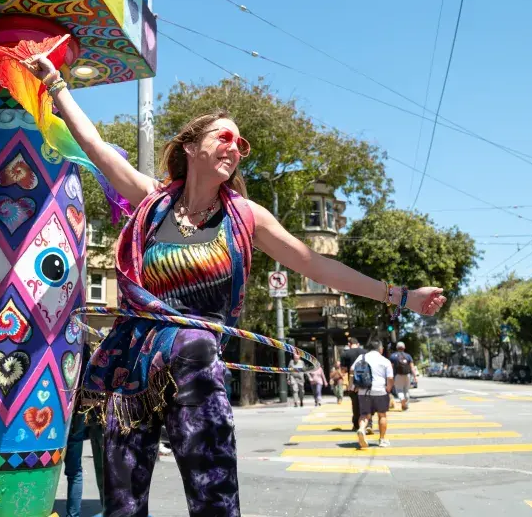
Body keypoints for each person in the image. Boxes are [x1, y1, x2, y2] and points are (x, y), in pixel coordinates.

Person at [23, 54, 446, 517]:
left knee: (213, 489)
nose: (236, 148)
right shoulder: (153, 202)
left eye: (240, 143)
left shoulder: (246, 217)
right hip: (134, 371)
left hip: (194, 367)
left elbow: (316, 264)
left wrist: (401, 296)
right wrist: (56, 83)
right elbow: (96, 145)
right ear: (190, 147)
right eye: (224, 137)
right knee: (122, 505)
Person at [65, 341, 105, 517]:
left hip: (57, 416)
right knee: (75, 471)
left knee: (72, 471)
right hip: (78, 415)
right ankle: (73, 514)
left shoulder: (66, 353)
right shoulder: (86, 354)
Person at [351, 339, 394, 448]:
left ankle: (361, 429)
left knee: (364, 415)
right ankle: (382, 440)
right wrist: (388, 389)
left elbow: (352, 370)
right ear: (380, 349)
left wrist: (353, 386)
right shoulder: (385, 360)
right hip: (380, 391)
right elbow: (390, 378)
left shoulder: (362, 357)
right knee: (382, 415)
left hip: (363, 390)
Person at [340, 338, 365, 431]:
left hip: (353, 381)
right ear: (358, 344)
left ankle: (356, 425)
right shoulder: (365, 352)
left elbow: (343, 370)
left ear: (349, 344)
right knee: (366, 402)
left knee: (355, 404)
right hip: (365, 381)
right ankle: (368, 423)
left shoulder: (345, 354)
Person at [389, 341, 416, 411]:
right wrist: (415, 377)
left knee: (399, 390)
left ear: (397, 348)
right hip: (407, 375)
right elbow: (412, 367)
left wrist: (390, 377)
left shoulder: (393, 356)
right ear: (404, 347)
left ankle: (402, 400)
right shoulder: (408, 356)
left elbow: (390, 368)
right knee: (406, 390)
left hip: (398, 376)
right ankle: (405, 404)